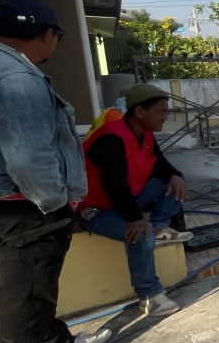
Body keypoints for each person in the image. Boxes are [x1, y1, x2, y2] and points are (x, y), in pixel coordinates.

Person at [0, 0, 111, 343]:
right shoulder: (15, 78)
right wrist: (56, 205)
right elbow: (29, 157)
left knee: (27, 285)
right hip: (21, 205)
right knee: (27, 293)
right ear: (47, 34)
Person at [77, 83, 191, 317]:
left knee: (173, 183)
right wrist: (136, 219)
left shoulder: (145, 133)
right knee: (141, 235)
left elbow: (160, 164)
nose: (166, 116)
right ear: (140, 111)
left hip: (126, 198)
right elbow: (114, 184)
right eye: (161, 111)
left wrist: (176, 175)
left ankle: (159, 227)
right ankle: (149, 296)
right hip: (98, 210)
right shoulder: (111, 137)